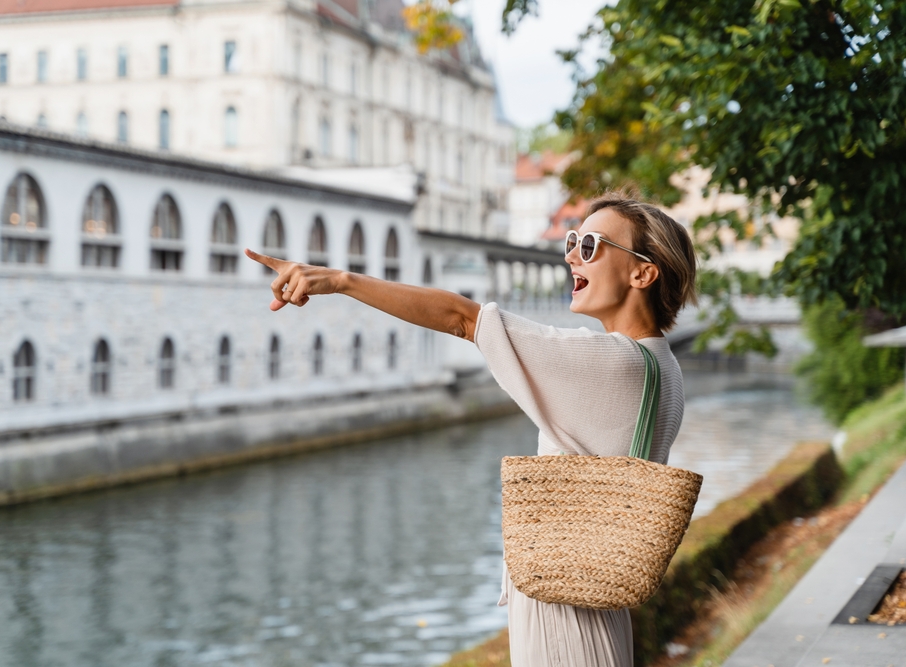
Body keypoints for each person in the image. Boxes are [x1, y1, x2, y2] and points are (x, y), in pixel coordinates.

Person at [245, 192, 698, 666]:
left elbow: (465, 319)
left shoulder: (611, 362)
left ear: (642, 273)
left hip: (564, 614)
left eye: (591, 246)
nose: (570, 255)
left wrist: (340, 280)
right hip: (601, 608)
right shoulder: (662, 368)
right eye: (572, 241)